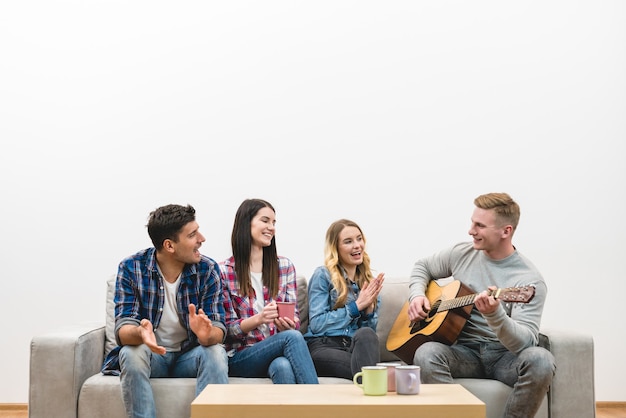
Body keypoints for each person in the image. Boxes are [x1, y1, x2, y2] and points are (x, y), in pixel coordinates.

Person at [408, 192, 556, 418]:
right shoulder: (461, 253)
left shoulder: (528, 280)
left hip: (505, 356)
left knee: (541, 360)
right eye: (472, 223)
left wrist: (496, 315)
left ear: (506, 231)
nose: (470, 231)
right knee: (426, 353)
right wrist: (417, 296)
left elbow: (525, 342)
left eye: (480, 225)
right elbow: (422, 266)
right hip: (464, 352)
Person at [101, 204, 229, 418]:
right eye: (192, 234)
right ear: (169, 246)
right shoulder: (131, 268)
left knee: (216, 351)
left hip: (189, 356)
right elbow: (123, 328)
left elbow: (218, 327)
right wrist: (141, 333)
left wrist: (208, 336)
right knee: (131, 352)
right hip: (154, 357)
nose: (202, 238)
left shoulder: (207, 270)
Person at [220, 198, 319, 384]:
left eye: (274, 223)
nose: (271, 227)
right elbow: (226, 330)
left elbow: (295, 321)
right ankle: (320, 408)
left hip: (276, 350)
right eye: (265, 221)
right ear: (245, 223)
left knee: (283, 366)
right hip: (241, 355)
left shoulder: (284, 267)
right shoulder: (223, 271)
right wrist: (259, 319)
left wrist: (288, 324)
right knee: (292, 338)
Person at [304, 219, 385, 379]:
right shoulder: (323, 275)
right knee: (368, 371)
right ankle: (373, 382)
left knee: (367, 334)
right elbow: (317, 324)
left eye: (359, 239)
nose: (357, 245)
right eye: (348, 242)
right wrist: (356, 307)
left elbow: (368, 339)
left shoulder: (368, 283)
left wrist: (368, 312)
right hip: (324, 346)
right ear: (336, 248)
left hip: (353, 347)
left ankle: (369, 381)